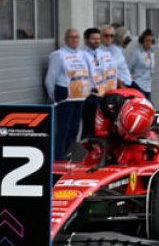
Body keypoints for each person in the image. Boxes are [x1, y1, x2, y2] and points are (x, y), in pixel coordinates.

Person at [44, 29, 91, 159]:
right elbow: (50, 78)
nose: (74, 40)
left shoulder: (82, 54)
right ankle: (59, 157)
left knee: (74, 128)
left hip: (79, 95)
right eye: (71, 37)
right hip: (65, 94)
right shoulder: (59, 55)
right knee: (63, 129)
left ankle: (70, 155)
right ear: (66, 39)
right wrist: (53, 96)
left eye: (77, 37)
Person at [80, 28, 113, 137]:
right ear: (86, 40)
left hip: (102, 95)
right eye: (94, 39)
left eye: (98, 38)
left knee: (100, 127)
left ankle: (98, 151)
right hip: (88, 96)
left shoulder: (104, 54)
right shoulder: (81, 55)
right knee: (88, 127)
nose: (97, 41)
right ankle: (86, 151)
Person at [126, 29, 156, 101]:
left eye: (151, 41)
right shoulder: (137, 53)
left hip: (148, 86)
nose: (149, 43)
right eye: (147, 40)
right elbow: (127, 69)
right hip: (138, 84)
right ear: (142, 41)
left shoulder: (152, 53)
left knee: (148, 107)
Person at [103, 24, 132, 90]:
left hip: (127, 82)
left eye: (111, 36)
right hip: (122, 84)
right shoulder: (113, 51)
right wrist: (120, 82)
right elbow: (111, 69)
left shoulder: (118, 50)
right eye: (107, 36)